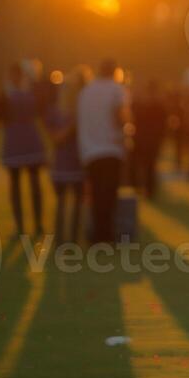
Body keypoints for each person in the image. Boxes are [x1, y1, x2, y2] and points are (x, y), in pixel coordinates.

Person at [0, 62, 47, 238]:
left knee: (26, 185)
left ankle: (29, 226)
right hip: (27, 139)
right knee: (26, 184)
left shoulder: (8, 93)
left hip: (18, 140)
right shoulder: (28, 92)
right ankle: (28, 225)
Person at [78, 59, 129, 244]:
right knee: (108, 195)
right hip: (111, 148)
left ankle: (96, 234)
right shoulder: (116, 90)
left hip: (89, 150)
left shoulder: (86, 91)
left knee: (96, 195)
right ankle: (105, 236)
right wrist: (127, 134)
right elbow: (120, 116)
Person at [47, 68, 87, 242]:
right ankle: (60, 239)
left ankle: (74, 238)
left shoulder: (83, 113)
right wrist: (71, 129)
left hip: (78, 163)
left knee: (78, 202)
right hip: (62, 164)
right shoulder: (55, 112)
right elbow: (55, 138)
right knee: (62, 201)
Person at [130, 80, 169, 199]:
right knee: (150, 165)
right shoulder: (160, 106)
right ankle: (149, 189)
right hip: (152, 140)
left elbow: (134, 120)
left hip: (142, 139)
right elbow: (164, 125)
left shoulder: (142, 105)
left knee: (143, 165)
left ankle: (142, 187)